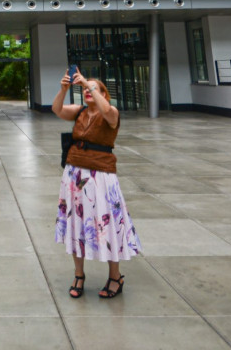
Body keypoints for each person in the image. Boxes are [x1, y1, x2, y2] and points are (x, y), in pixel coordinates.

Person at [52, 69, 141, 299]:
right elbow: (57, 110)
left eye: (93, 88)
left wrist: (89, 84)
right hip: (75, 174)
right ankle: (79, 275)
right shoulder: (80, 112)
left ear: (103, 93)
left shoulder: (111, 113)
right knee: (77, 223)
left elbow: (109, 112)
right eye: (84, 89)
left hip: (101, 175)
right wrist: (63, 90)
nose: (87, 91)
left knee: (106, 223)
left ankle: (115, 276)